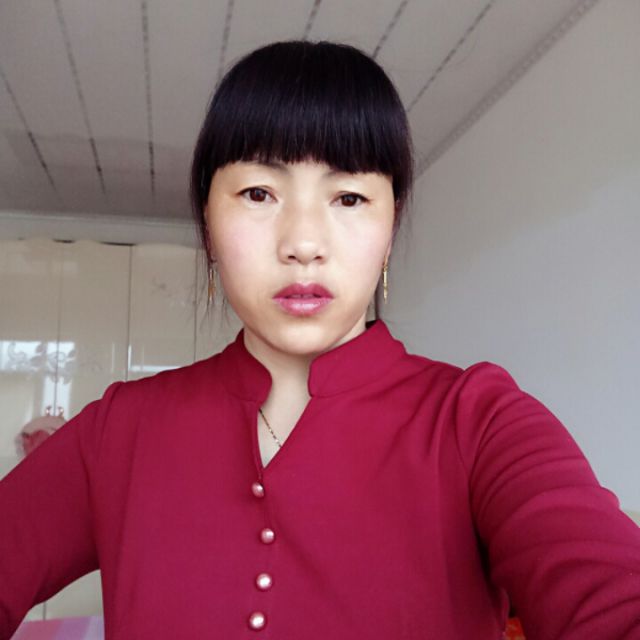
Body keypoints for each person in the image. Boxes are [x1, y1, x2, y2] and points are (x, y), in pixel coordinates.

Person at [1, 40, 639, 640]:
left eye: (350, 198)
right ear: (208, 221)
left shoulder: (479, 422)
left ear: (390, 227)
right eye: (258, 193)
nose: (303, 243)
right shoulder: (119, 431)